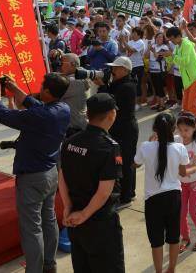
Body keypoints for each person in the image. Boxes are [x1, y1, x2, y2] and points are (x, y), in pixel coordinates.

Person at [0, 74, 71, 273]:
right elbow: (35, 105)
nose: (39, 89)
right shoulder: (63, 109)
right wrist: (16, 89)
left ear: (49, 93)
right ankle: (49, 265)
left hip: (32, 177)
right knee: (49, 220)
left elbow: (3, 116)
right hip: (50, 172)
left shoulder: (40, 116)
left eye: (43, 87)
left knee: (32, 228)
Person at [58, 93, 125, 272]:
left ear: (88, 114)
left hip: (75, 221)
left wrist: (67, 207)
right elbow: (104, 191)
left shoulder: (70, 142)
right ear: (112, 114)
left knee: (82, 266)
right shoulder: (109, 147)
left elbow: (62, 176)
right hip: (100, 222)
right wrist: (84, 214)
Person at [134, 112, 190, 273]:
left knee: (156, 240)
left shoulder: (146, 146)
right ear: (174, 129)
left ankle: (158, 271)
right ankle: (171, 269)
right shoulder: (179, 148)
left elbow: (135, 164)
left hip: (153, 200)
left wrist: (151, 142)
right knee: (173, 237)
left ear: (154, 129)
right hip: (173, 196)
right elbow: (183, 173)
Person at [98, 56, 139, 207]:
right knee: (123, 162)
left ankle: (126, 197)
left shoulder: (127, 86)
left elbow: (108, 102)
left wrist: (102, 86)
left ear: (124, 70)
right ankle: (129, 192)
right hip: (120, 129)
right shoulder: (120, 83)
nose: (112, 71)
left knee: (125, 163)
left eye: (115, 68)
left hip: (125, 130)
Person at [176, 112, 196, 254]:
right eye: (180, 129)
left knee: (194, 211)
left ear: (194, 128)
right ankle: (185, 237)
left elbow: (195, 166)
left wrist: (184, 171)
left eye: (186, 130)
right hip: (181, 183)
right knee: (181, 212)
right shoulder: (176, 140)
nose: (183, 133)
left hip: (195, 182)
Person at [166, 25, 196, 129]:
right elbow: (172, 61)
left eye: (172, 39)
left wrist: (172, 55)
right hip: (188, 80)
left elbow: (184, 61)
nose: (171, 41)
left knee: (191, 106)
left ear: (178, 36)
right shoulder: (177, 47)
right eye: (170, 39)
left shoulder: (187, 44)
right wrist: (166, 57)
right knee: (185, 108)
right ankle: (189, 127)